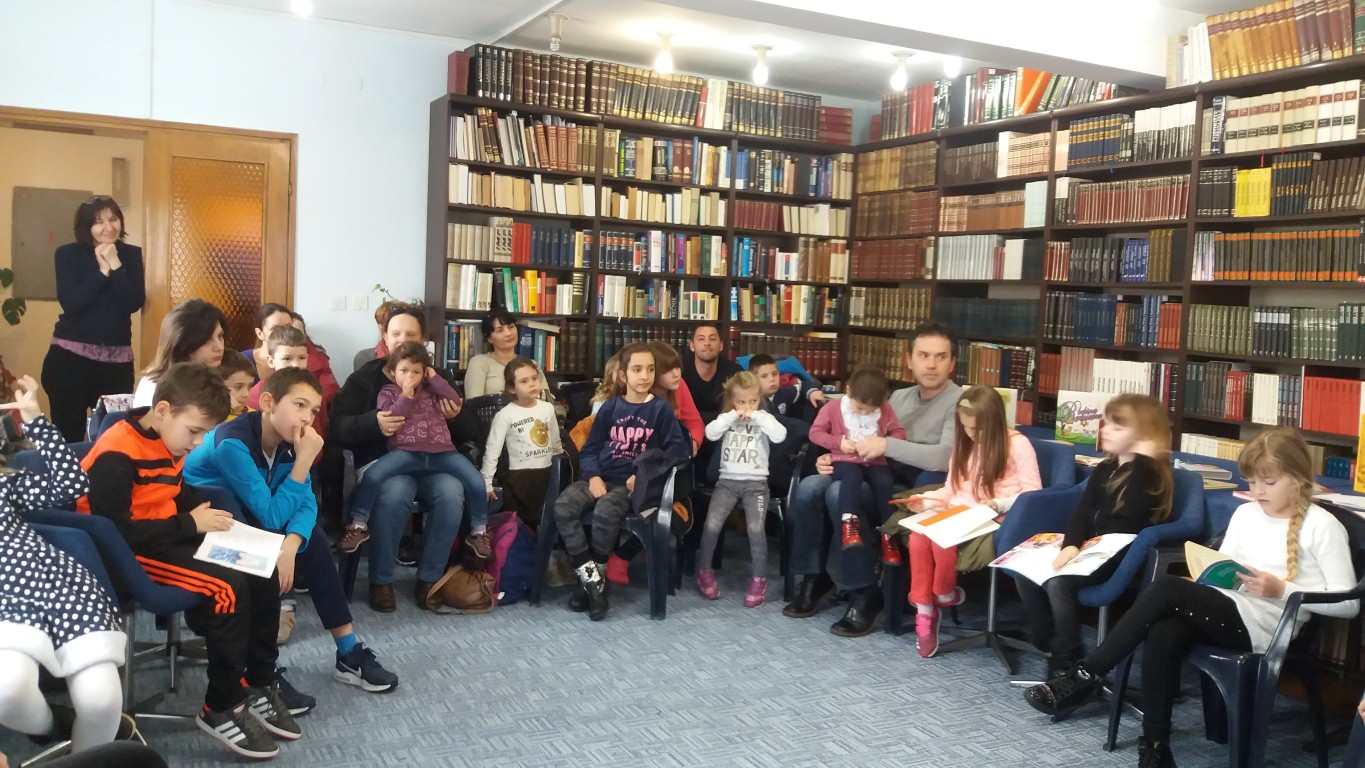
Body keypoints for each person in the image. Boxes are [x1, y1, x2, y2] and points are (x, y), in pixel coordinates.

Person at [1026, 428, 1359, 768]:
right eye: (1252, 481)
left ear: (1298, 478)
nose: (1257, 491)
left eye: (1269, 482)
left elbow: (1349, 604)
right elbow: (1225, 569)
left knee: (1167, 588)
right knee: (1163, 631)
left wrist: (1281, 590)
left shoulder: (1322, 526)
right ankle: (1155, 749)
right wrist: (1208, 576)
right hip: (1231, 610)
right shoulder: (1246, 514)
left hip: (1270, 627)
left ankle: (1085, 675)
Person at [79, 363, 295, 759]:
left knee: (260, 569)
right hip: (122, 554)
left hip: (163, 537)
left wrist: (204, 512)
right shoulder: (118, 451)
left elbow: (171, 491)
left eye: (203, 434)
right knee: (226, 588)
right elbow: (113, 531)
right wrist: (190, 523)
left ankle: (257, 680)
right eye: (193, 432)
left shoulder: (168, 437)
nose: (196, 444)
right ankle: (221, 705)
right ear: (163, 410)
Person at [183, 367, 399, 696]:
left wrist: (292, 544)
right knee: (266, 557)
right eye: (299, 405)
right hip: (205, 524)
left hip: (248, 515)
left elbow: (306, 503)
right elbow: (271, 517)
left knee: (313, 542)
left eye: (313, 410)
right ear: (268, 403)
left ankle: (349, 652)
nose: (307, 418)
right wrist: (303, 462)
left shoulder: (291, 442)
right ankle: (259, 673)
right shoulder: (233, 443)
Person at [783, 322, 963, 638]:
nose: (931, 364)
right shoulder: (899, 397)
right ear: (909, 360)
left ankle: (864, 591)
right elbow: (858, 432)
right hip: (870, 472)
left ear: (952, 363)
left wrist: (885, 445)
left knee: (838, 494)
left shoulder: (959, 402)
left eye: (940, 356)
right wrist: (832, 457)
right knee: (810, 487)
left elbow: (943, 457)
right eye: (923, 355)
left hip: (916, 489)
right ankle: (814, 576)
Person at [0, 376, 124, 753]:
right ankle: (51, 730)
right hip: (6, 602)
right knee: (9, 690)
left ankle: (81, 753)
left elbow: (72, 486)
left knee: (103, 701)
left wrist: (36, 420)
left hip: (52, 583)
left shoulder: (4, 482)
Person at [1011, 394, 1173, 678]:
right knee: (1022, 568)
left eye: (1117, 427)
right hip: (1090, 547)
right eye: (1106, 423)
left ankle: (1069, 655)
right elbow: (1082, 511)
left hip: (1120, 555)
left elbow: (1133, 513)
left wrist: (1142, 460)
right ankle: (1049, 641)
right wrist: (1071, 544)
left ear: (1144, 435)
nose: (1105, 431)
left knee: (1059, 584)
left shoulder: (1149, 474)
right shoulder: (1105, 468)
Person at [331, 307, 474, 612]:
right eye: (396, 333)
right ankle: (381, 581)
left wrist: (456, 417)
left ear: (423, 340)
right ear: (384, 337)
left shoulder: (437, 377)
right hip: (383, 463)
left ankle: (430, 579)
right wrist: (373, 423)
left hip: (433, 461)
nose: (402, 339)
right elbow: (339, 426)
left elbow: (470, 430)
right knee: (396, 491)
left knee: (451, 492)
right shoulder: (365, 378)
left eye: (411, 334)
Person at [552, 343, 690, 621]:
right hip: (601, 477)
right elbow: (590, 449)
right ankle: (594, 583)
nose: (645, 376)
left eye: (650, 369)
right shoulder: (611, 408)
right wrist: (593, 476)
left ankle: (590, 584)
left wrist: (645, 474)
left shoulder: (661, 409)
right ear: (624, 375)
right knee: (563, 507)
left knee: (605, 512)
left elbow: (678, 452)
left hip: (631, 486)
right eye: (637, 370)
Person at [905, 385, 1042, 658]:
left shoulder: (1017, 444)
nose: (970, 434)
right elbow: (951, 489)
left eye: (976, 429)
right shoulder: (965, 444)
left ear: (993, 422)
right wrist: (927, 501)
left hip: (993, 517)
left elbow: (1033, 493)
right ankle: (926, 610)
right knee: (916, 538)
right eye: (965, 427)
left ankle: (945, 593)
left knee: (942, 540)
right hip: (958, 511)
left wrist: (998, 503)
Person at [338, 341, 489, 562]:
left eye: (416, 372)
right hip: (406, 452)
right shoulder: (387, 392)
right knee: (374, 476)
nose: (410, 376)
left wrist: (434, 378)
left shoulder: (433, 390)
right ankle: (358, 524)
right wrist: (406, 395)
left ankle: (479, 531)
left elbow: (454, 400)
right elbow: (393, 415)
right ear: (393, 372)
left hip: (442, 452)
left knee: (476, 480)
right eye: (404, 371)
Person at [41, 195, 147, 441]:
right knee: (70, 437)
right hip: (70, 361)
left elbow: (133, 302)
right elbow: (72, 303)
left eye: (113, 219)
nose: (109, 227)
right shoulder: (67, 254)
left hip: (117, 364)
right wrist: (102, 272)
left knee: (114, 437)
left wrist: (116, 264)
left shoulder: (131, 255)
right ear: (86, 226)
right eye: (99, 222)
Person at [695, 371, 787, 607]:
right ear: (732, 400)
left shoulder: (764, 418)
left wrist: (758, 416)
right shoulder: (727, 419)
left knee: (756, 529)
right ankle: (704, 571)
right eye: (741, 402)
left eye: (753, 401)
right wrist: (731, 415)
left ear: (759, 399)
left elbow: (780, 436)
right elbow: (710, 433)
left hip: (756, 485)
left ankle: (759, 579)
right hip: (727, 482)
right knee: (712, 525)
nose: (747, 407)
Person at [809, 364, 906, 556]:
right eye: (860, 408)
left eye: (871, 410)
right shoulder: (833, 408)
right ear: (848, 391)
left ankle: (889, 534)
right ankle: (849, 525)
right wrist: (839, 442)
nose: (864, 414)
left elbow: (899, 432)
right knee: (851, 477)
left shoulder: (886, 409)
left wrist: (883, 443)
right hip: (845, 460)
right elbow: (815, 433)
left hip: (875, 461)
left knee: (884, 482)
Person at [480, 356, 562, 527]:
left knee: (546, 520)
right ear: (512, 388)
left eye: (534, 378)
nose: (532, 384)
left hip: (547, 473)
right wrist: (486, 482)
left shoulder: (547, 408)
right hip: (520, 478)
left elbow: (555, 441)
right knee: (521, 524)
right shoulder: (505, 415)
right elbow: (492, 450)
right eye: (524, 381)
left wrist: (559, 465)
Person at [132, 299, 227, 408]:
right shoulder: (155, 387)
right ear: (183, 345)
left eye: (220, 336)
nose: (220, 347)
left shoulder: (222, 377)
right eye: (206, 341)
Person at [463, 310, 552, 399]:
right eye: (500, 330)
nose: (508, 333)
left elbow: (546, 398)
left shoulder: (532, 364)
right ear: (489, 338)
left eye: (511, 327)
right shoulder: (479, 362)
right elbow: (473, 402)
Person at [680, 323, 741, 422]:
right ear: (692, 346)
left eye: (712, 339)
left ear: (721, 345)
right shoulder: (679, 371)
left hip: (725, 427)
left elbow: (741, 409)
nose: (707, 343)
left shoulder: (734, 373)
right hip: (687, 426)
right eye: (701, 339)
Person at [353, 299, 406, 374]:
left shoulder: (421, 357)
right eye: (396, 332)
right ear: (381, 329)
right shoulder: (365, 358)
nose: (403, 338)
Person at [215, 353, 258, 420]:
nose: (246, 394)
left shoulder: (254, 416)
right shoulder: (207, 419)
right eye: (238, 387)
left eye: (250, 386)